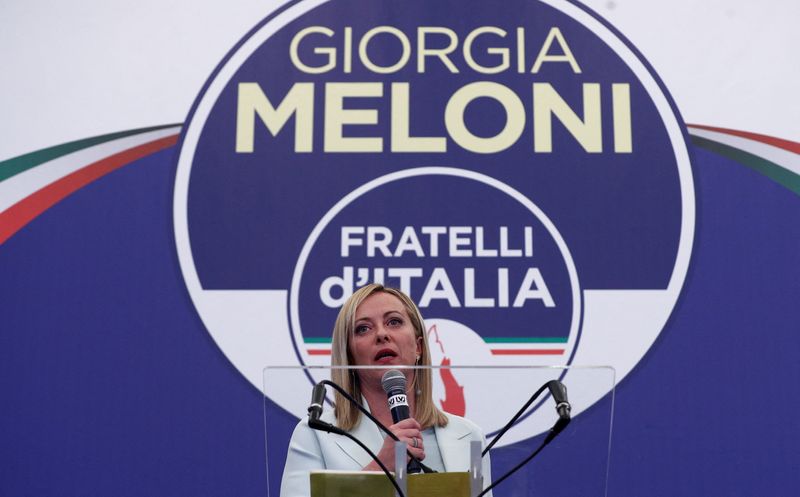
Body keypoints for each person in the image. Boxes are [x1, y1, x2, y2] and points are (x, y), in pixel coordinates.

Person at [280, 284, 492, 497]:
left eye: (394, 322)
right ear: (349, 355)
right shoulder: (315, 435)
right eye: (363, 328)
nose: (381, 334)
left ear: (418, 347)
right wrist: (380, 469)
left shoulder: (469, 437)